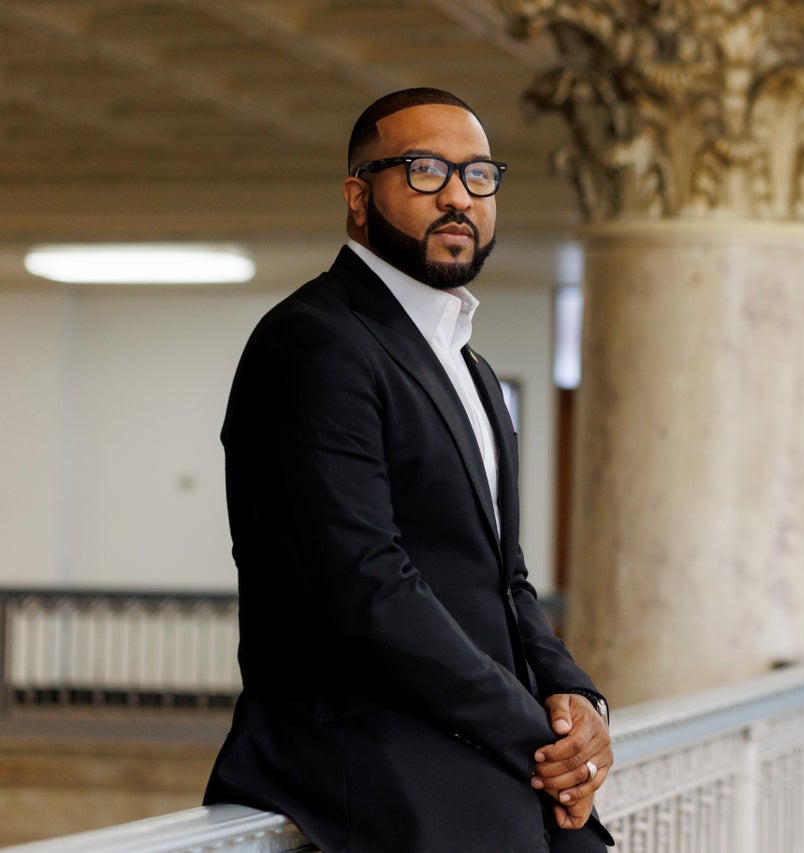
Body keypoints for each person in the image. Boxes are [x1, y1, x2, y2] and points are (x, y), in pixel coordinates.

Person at [204, 87, 614, 853]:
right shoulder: (314, 341)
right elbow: (365, 584)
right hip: (372, 761)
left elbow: (504, 575)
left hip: (482, 745)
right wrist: (541, 734)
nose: (458, 196)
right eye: (425, 171)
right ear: (359, 198)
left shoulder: (473, 367)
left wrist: (575, 698)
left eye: (479, 176)